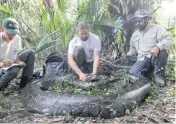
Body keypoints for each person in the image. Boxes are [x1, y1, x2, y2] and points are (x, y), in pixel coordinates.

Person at [127, 10, 173, 86]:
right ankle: (148, 76)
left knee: (162, 53)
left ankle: (159, 78)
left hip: (154, 58)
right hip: (142, 60)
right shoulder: (135, 35)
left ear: (146, 19)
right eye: (136, 21)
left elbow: (168, 39)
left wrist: (158, 46)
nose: (137, 23)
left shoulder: (157, 29)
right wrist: (128, 55)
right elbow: (132, 49)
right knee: (132, 75)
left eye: (140, 20)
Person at [0, 18, 35, 90]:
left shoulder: (17, 38)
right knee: (14, 70)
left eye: (14, 33)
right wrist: (1, 64)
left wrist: (19, 62)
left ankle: (24, 86)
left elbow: (15, 54)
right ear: (2, 29)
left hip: (11, 64)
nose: (12, 36)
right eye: (9, 33)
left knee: (31, 53)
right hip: (1, 67)